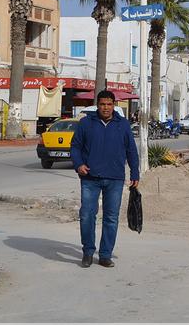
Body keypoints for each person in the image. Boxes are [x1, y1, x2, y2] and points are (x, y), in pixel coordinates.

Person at [71, 90, 139, 269]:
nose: (106, 108)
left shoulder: (123, 125)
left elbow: (131, 150)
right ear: (97, 105)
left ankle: (105, 255)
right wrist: (78, 164)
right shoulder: (86, 123)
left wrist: (135, 173)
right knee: (86, 215)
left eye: (109, 104)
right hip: (90, 178)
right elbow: (75, 147)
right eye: (102, 104)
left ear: (113, 105)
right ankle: (87, 252)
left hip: (115, 178)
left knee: (111, 218)